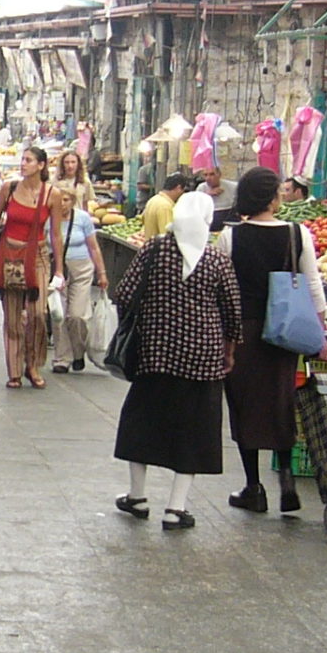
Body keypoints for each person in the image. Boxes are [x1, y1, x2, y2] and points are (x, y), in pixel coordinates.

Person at [111, 191, 244, 531]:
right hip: (203, 361)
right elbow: (232, 313)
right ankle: (176, 507)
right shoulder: (216, 260)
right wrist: (228, 352)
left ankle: (137, 496)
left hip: (154, 356)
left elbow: (124, 294)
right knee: (193, 432)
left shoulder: (153, 251)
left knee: (142, 424)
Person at [216, 167, 327, 516]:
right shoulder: (298, 234)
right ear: (272, 198)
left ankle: (253, 487)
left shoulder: (230, 237)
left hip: (243, 332)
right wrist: (321, 336)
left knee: (244, 405)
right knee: (281, 401)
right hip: (285, 330)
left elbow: (224, 290)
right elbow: (314, 286)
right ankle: (286, 481)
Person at [0, 147, 66, 389]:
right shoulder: (9, 188)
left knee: (38, 314)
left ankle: (34, 363)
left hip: (37, 255)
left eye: (29, 160)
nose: (23, 164)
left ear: (41, 165)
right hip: (9, 253)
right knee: (13, 316)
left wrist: (59, 268)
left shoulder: (52, 194)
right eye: (23, 160)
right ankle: (14, 371)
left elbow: (56, 234)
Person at [52, 198, 109, 373]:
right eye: (58, 199)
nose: (62, 203)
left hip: (81, 268)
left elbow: (94, 247)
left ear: (72, 200)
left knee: (76, 316)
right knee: (59, 314)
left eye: (66, 199)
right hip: (56, 269)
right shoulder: (48, 219)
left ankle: (78, 352)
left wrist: (101, 273)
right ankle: (62, 358)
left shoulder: (82, 218)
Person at [138, 172, 192, 240]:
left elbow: (143, 221)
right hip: (158, 248)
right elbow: (167, 235)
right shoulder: (165, 206)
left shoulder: (153, 200)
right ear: (178, 188)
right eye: (183, 191)